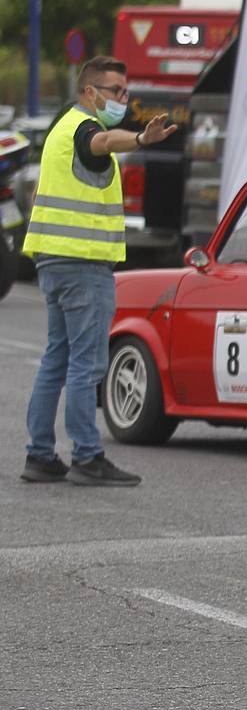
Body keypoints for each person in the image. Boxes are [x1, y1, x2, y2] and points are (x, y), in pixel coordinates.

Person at [21, 56, 177, 487]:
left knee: (57, 357)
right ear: (91, 92)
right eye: (117, 92)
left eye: (127, 93)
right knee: (87, 363)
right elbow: (104, 142)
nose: (124, 100)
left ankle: (39, 454)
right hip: (82, 264)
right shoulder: (85, 130)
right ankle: (87, 457)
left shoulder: (60, 128)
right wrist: (143, 140)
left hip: (53, 260)